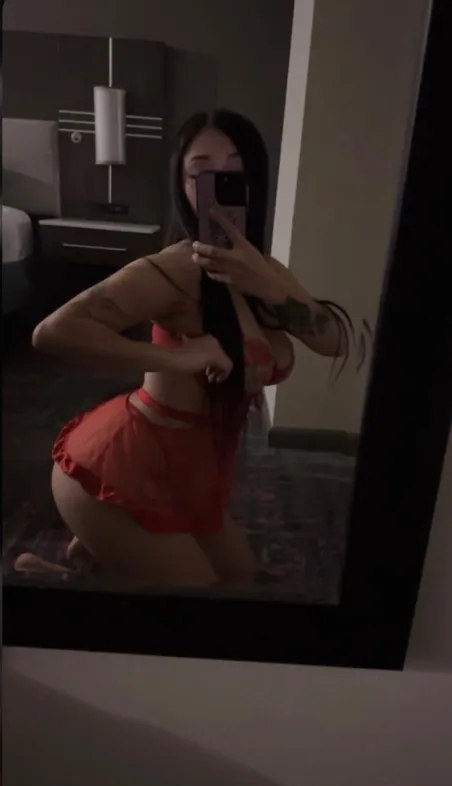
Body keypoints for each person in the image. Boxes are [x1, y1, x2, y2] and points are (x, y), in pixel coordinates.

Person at [16, 109, 350, 588]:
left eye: (235, 172)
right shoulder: (174, 270)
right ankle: (71, 567)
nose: (220, 186)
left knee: (245, 584)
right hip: (121, 465)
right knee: (204, 606)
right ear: (184, 186)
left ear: (255, 182)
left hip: (194, 474)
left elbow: (334, 341)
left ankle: (80, 564)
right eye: (202, 173)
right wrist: (178, 357)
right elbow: (53, 331)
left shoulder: (267, 272)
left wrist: (267, 284)